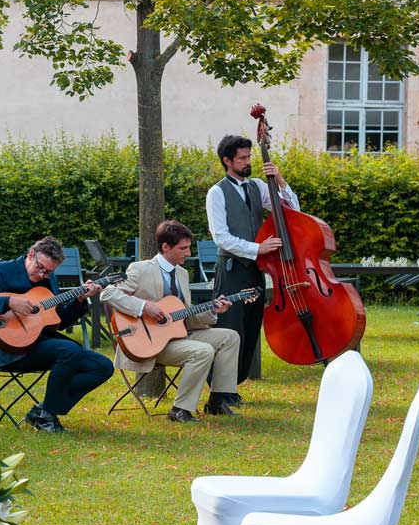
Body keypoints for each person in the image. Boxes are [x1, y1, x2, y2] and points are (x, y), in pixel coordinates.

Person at [0, 236, 114, 432]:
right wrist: (8, 302)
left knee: (102, 366)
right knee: (69, 350)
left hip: (41, 343)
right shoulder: (3, 271)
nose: (43, 274)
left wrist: (79, 300)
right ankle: (47, 418)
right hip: (11, 350)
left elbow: (58, 322)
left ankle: (42, 411)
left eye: (49, 271)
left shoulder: (48, 279)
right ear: (31, 254)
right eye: (40, 267)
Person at [100, 220, 240, 422]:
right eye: (183, 248)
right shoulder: (140, 269)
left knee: (230, 336)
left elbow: (185, 315)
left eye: (189, 247)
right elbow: (107, 293)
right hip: (148, 343)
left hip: (179, 334)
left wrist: (213, 311)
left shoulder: (182, 274)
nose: (189, 253)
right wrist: (143, 307)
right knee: (203, 351)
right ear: (165, 247)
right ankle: (180, 410)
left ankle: (218, 400)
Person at [205, 134, 300, 394]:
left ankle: (233, 387)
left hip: (255, 272)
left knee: (249, 329)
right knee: (229, 329)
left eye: (250, 156)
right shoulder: (216, 193)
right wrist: (258, 249)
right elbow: (221, 238)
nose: (248, 162)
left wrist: (279, 180)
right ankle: (219, 391)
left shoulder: (258, 186)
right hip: (231, 271)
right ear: (227, 160)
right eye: (243, 158)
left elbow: (290, 212)